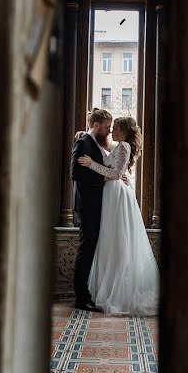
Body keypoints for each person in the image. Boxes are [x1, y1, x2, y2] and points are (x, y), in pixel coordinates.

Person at [77, 116, 159, 316]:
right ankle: (104, 288)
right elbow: (106, 153)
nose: (112, 131)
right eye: (111, 127)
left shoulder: (124, 147)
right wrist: (84, 133)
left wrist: (90, 165)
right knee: (108, 241)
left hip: (117, 196)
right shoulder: (118, 145)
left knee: (118, 242)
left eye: (116, 128)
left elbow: (115, 174)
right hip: (110, 196)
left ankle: (120, 293)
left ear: (123, 131)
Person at [70, 109, 113, 312]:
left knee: (89, 250)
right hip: (87, 206)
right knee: (85, 250)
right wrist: (103, 178)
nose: (109, 130)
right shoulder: (83, 142)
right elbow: (76, 173)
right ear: (96, 125)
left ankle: (86, 295)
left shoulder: (93, 142)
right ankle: (81, 298)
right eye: (107, 127)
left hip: (96, 206)